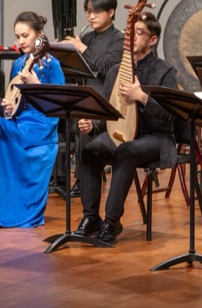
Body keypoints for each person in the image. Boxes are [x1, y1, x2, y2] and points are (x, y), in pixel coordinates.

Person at [73, 12, 178, 245]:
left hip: (156, 137)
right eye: (131, 33)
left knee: (126, 150)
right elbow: (109, 113)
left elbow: (169, 118)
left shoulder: (165, 72)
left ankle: (112, 222)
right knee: (90, 151)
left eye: (139, 33)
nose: (132, 38)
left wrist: (142, 97)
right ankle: (91, 218)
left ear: (153, 40)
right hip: (121, 133)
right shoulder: (115, 72)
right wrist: (94, 124)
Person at [0, 11, 65, 229]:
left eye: (25, 35)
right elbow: (14, 102)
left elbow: (59, 106)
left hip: (42, 127)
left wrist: (36, 84)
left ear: (40, 35)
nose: (21, 41)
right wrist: (8, 108)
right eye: (17, 36)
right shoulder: (18, 64)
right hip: (20, 122)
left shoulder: (52, 65)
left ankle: (6, 210)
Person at [61, 0, 124, 194]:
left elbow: (106, 68)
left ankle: (83, 179)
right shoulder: (87, 37)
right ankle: (60, 177)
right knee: (58, 116)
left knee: (86, 121)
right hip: (86, 95)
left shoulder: (118, 39)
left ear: (111, 12)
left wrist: (81, 47)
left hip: (106, 100)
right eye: (88, 12)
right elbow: (77, 71)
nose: (91, 17)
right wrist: (64, 54)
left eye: (97, 12)